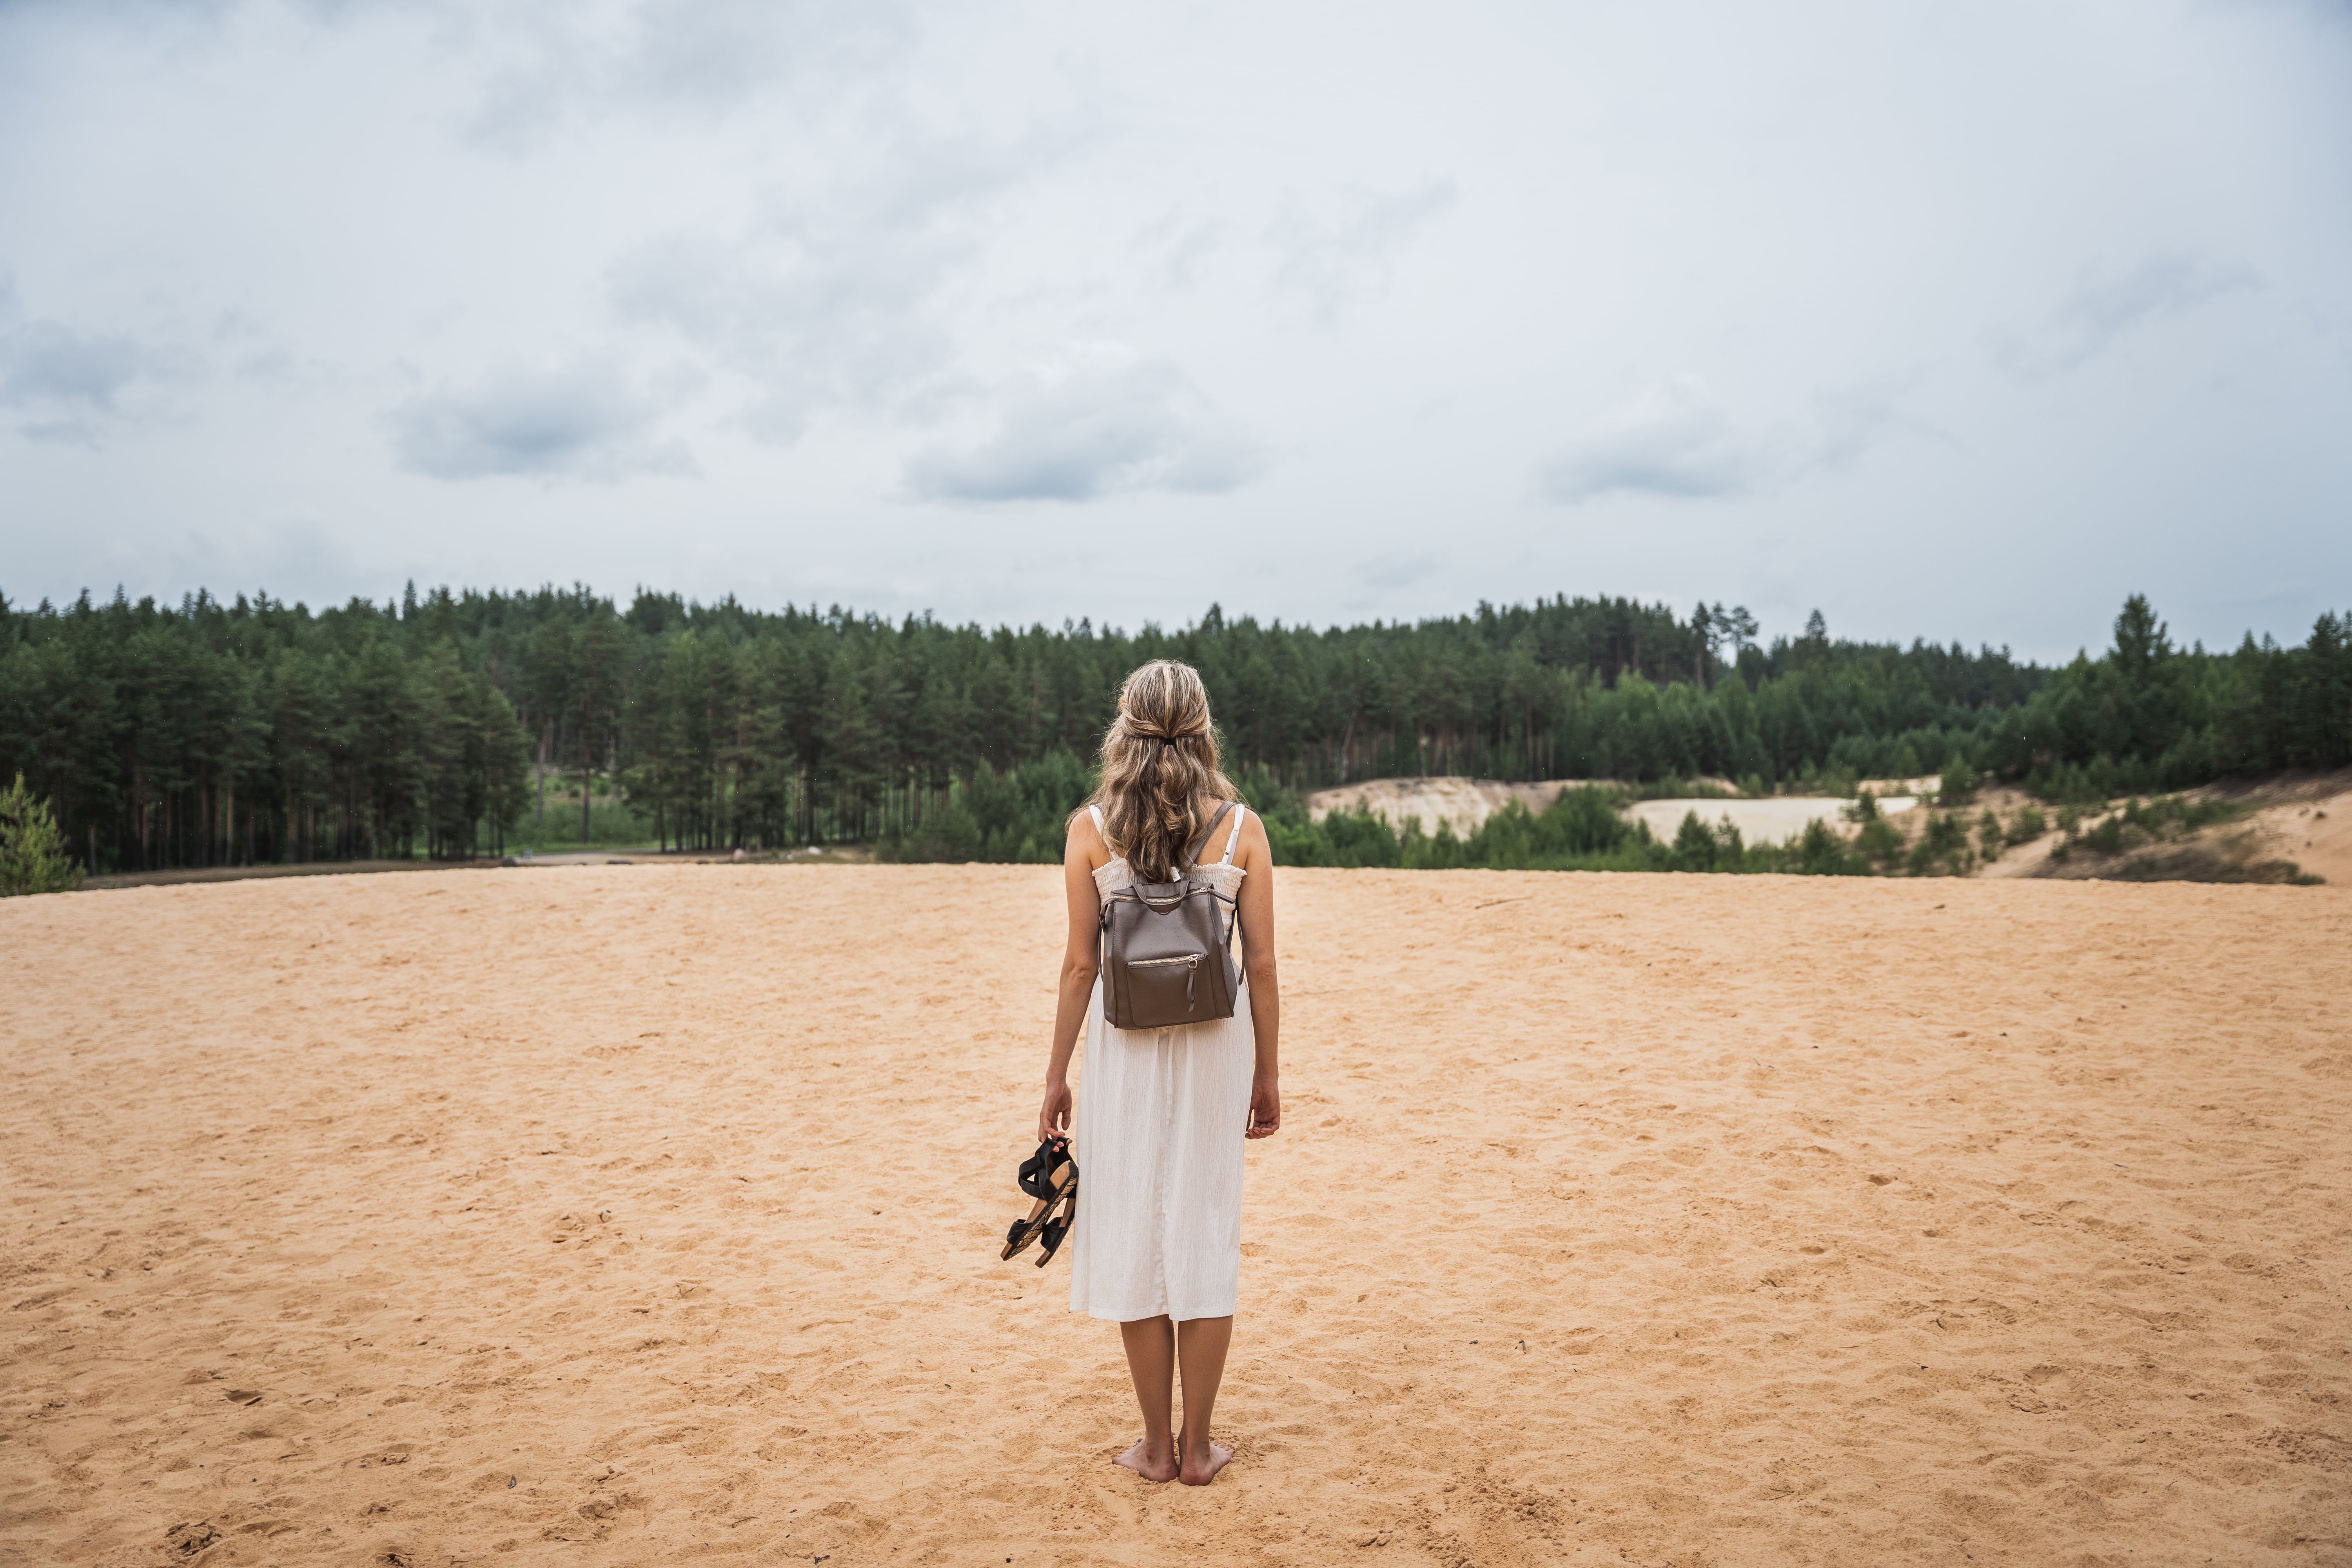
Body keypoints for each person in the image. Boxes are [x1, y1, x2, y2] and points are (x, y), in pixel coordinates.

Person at [1036, 659, 1282, 1486]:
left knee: (1136, 1227)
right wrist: (1268, 1074)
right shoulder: (1241, 825)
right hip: (1220, 1046)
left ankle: (1154, 1444)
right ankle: (1201, 1445)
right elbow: (1266, 965)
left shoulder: (1091, 829)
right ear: (1204, 723)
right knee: (1205, 1224)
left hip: (1124, 1048)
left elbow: (1079, 966)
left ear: (1126, 725)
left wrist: (1055, 1075)